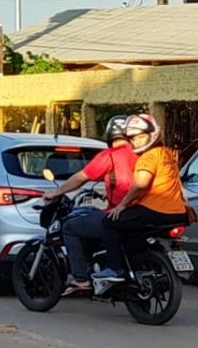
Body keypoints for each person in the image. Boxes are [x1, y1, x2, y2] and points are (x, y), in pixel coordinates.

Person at [41, 115, 138, 296]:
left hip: (120, 213)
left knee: (70, 227)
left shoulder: (109, 156)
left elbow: (81, 177)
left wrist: (57, 192)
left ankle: (81, 279)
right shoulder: (142, 154)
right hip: (142, 213)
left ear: (109, 135)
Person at [94, 114, 190, 283]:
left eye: (140, 136)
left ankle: (114, 269)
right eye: (133, 138)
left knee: (108, 223)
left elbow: (140, 185)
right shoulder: (166, 154)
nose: (136, 141)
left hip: (155, 210)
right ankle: (138, 264)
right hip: (179, 212)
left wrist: (121, 205)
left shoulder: (149, 156)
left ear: (151, 134)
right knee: (132, 233)